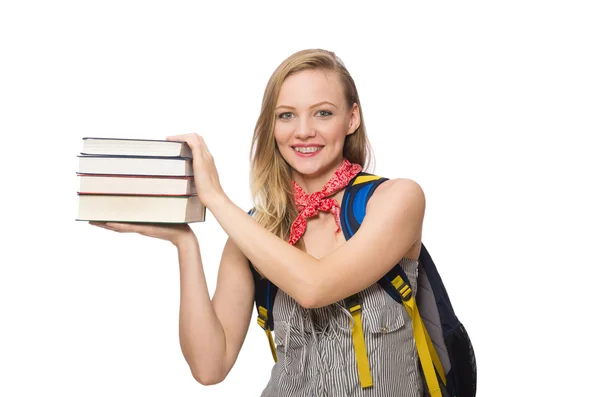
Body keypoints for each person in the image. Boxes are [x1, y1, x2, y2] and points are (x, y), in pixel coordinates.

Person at [90, 48, 427, 396]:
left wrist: (216, 198)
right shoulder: (254, 231)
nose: (304, 131)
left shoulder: (396, 199)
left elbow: (315, 287)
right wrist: (185, 243)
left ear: (352, 118)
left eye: (323, 113)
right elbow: (209, 367)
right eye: (286, 116)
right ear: (272, 126)